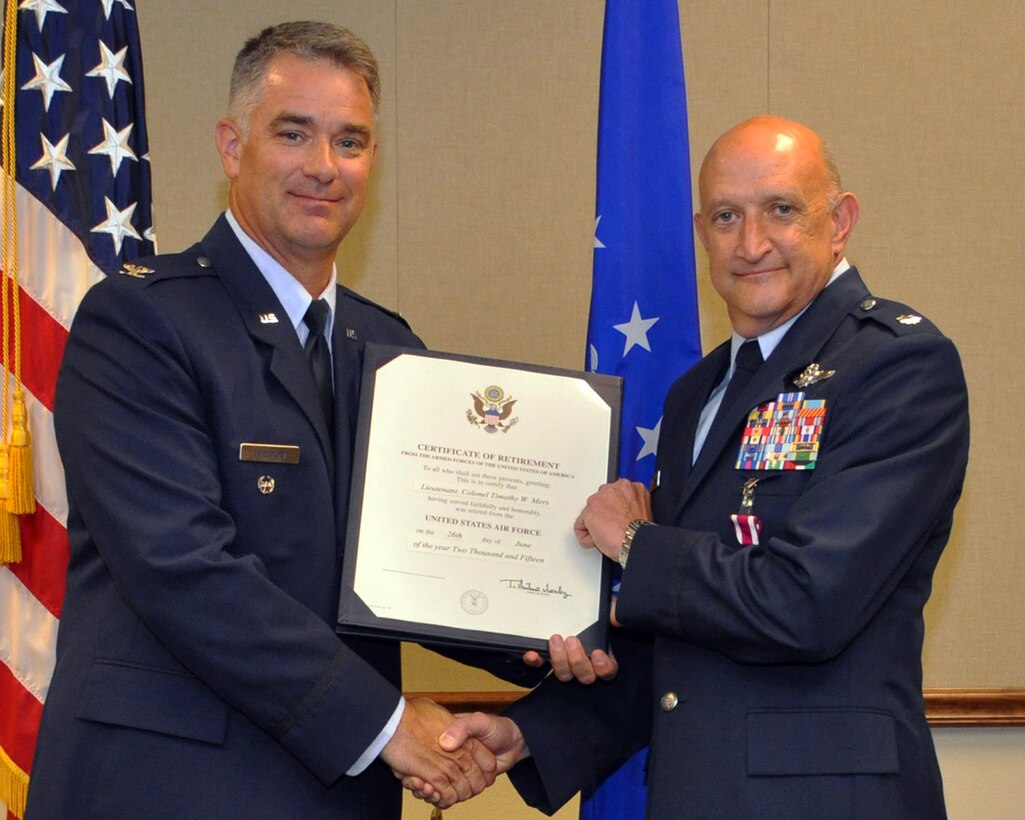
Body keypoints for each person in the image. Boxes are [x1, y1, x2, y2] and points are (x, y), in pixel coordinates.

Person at [425, 115, 970, 819]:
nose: (751, 243)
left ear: (839, 222)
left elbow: (804, 604)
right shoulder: (697, 395)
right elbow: (681, 639)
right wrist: (531, 733)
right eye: (725, 216)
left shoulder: (896, 365)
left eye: (781, 209)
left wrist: (635, 542)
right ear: (701, 233)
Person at [26, 21, 505, 819]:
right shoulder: (140, 321)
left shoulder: (392, 351)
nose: (323, 166)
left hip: (336, 793)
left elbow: (427, 567)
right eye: (293, 133)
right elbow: (181, 567)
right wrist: (387, 724)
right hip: (166, 789)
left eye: (349, 141)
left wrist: (557, 634)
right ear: (231, 146)